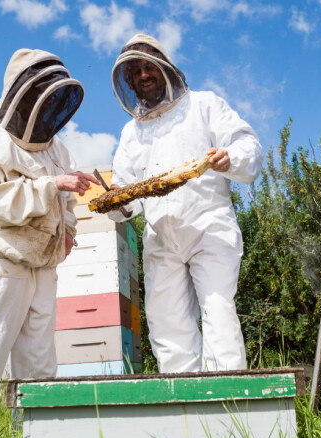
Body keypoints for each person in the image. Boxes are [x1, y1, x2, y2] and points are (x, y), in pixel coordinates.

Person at [0, 49, 99, 432]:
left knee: (40, 363)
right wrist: (53, 184)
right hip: (2, 261)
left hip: (43, 266)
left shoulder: (57, 147)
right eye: (37, 94)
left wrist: (69, 233)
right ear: (19, 93)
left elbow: (66, 203)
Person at [107, 34, 263, 373]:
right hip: (161, 239)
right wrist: (117, 205)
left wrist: (229, 157)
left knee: (218, 313)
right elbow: (128, 194)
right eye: (136, 71)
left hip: (209, 228)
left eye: (149, 67)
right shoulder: (131, 133)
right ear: (129, 81)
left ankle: (231, 410)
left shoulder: (204, 105)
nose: (143, 75)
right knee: (167, 325)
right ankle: (185, 413)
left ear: (166, 68)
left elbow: (246, 146)